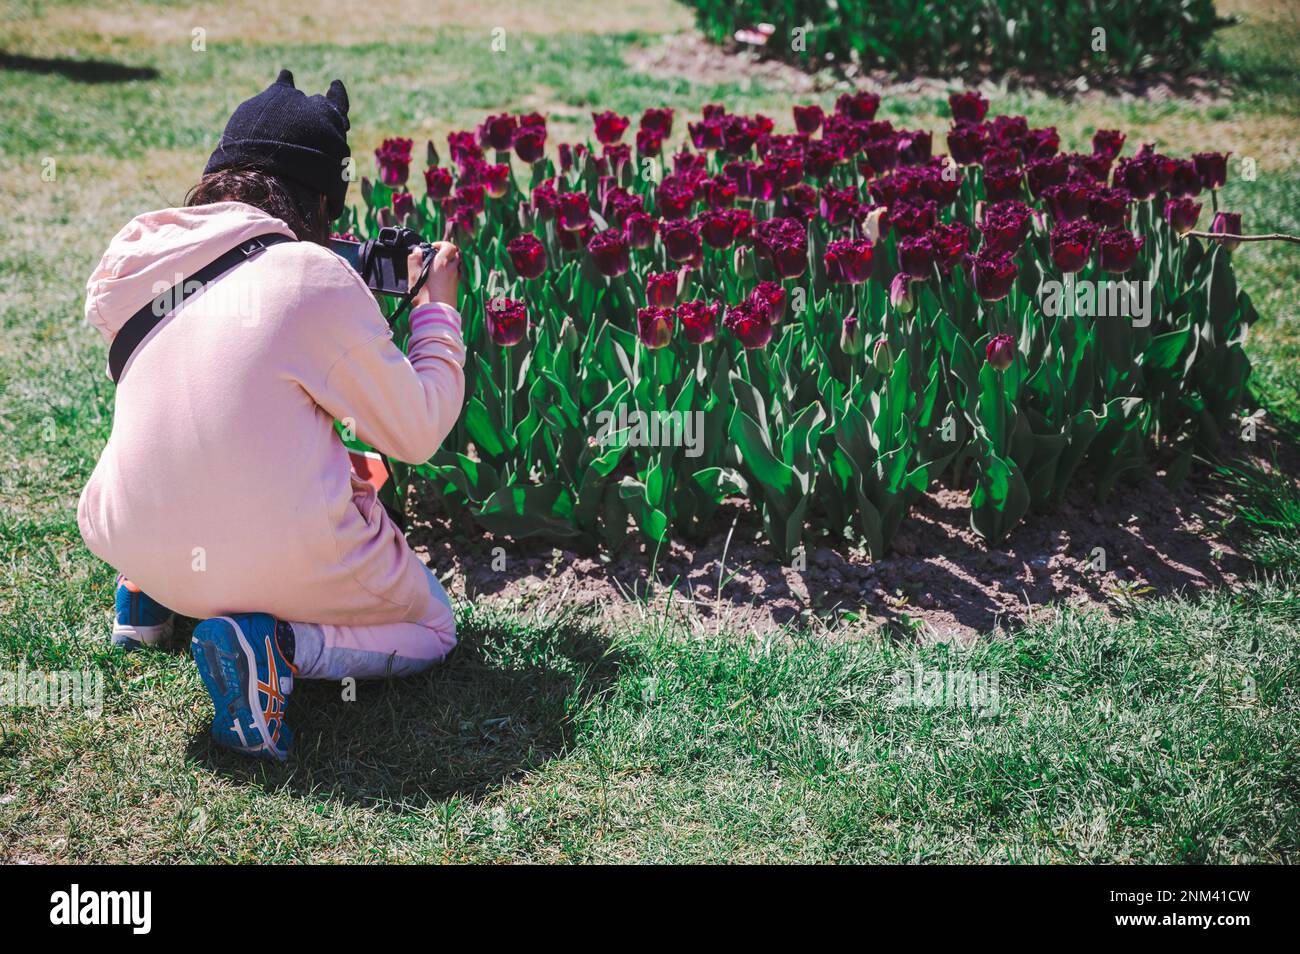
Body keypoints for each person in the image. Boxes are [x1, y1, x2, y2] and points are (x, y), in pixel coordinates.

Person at [77, 70, 465, 761]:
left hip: (129, 532)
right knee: (434, 630)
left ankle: (148, 598)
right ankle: (274, 649)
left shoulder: (142, 265)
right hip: (270, 557)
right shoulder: (310, 275)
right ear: (320, 200)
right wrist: (435, 308)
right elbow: (418, 431)